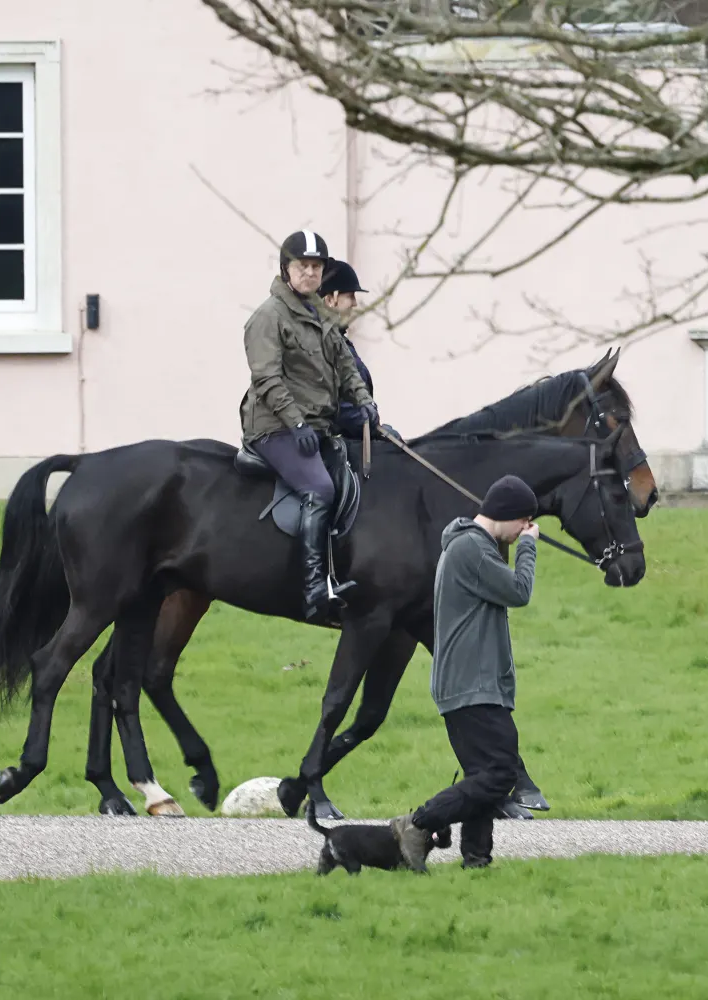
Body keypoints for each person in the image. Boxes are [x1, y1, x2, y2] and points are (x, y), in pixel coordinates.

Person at [389, 475, 540, 871]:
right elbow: (519, 591)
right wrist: (528, 547)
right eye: (523, 521)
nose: (524, 528)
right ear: (506, 515)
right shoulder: (472, 547)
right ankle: (417, 824)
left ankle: (476, 861)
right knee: (500, 772)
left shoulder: (472, 547)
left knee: (482, 775)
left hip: (472, 683)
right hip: (471, 685)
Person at [240, 230, 382, 624]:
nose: (310, 273)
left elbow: (345, 365)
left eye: (316, 267)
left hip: (316, 426)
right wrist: (296, 422)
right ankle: (315, 591)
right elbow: (267, 379)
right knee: (319, 487)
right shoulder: (268, 318)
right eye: (303, 266)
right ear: (287, 269)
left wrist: (364, 401)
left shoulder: (320, 314)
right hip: (274, 427)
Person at [317, 259, 402, 442]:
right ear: (330, 299)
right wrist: (368, 421)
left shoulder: (338, 341)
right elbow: (335, 407)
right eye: (350, 296)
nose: (355, 304)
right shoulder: (318, 343)